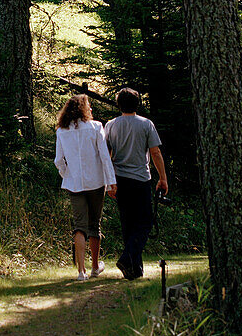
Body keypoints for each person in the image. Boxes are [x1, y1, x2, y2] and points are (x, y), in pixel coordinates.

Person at [104, 87, 168, 280]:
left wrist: (109, 182)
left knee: (128, 223)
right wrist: (163, 178)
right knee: (145, 223)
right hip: (140, 179)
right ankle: (127, 258)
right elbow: (155, 152)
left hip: (120, 179)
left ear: (119, 104)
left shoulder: (110, 125)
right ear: (137, 104)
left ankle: (134, 270)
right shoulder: (146, 124)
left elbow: (106, 155)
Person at [54, 94, 117, 282]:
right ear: (83, 109)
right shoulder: (96, 126)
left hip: (74, 184)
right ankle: (95, 267)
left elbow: (58, 160)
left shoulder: (62, 130)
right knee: (94, 224)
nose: (91, 109)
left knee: (79, 226)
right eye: (88, 106)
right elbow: (105, 157)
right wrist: (111, 181)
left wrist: (67, 175)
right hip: (96, 182)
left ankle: (81, 272)